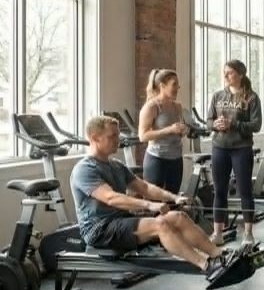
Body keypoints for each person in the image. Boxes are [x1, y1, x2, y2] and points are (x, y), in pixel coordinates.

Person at [69, 115, 228, 275]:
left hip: (120, 221)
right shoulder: (85, 169)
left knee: (179, 217)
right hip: (99, 229)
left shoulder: (116, 165)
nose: (118, 139)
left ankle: (220, 255)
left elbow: (144, 187)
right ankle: (206, 265)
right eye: (113, 136)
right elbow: (110, 198)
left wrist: (174, 198)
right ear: (95, 138)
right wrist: (150, 204)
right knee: (160, 225)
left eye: (118, 135)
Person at [206, 59, 262, 247]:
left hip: (241, 149)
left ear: (240, 74)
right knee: (219, 191)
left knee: (245, 191)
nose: (226, 75)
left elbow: (256, 125)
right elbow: (208, 121)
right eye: (225, 72)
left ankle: (248, 233)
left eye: (230, 72)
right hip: (219, 148)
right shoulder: (218, 96)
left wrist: (234, 124)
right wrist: (215, 125)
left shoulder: (251, 98)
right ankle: (217, 233)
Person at [138, 69, 187, 194]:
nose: (177, 88)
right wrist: (169, 130)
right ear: (162, 86)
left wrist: (182, 131)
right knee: (155, 201)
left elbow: (177, 129)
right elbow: (143, 136)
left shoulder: (178, 107)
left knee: (173, 199)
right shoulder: (151, 107)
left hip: (176, 159)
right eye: (174, 84)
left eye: (178, 84)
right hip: (157, 159)